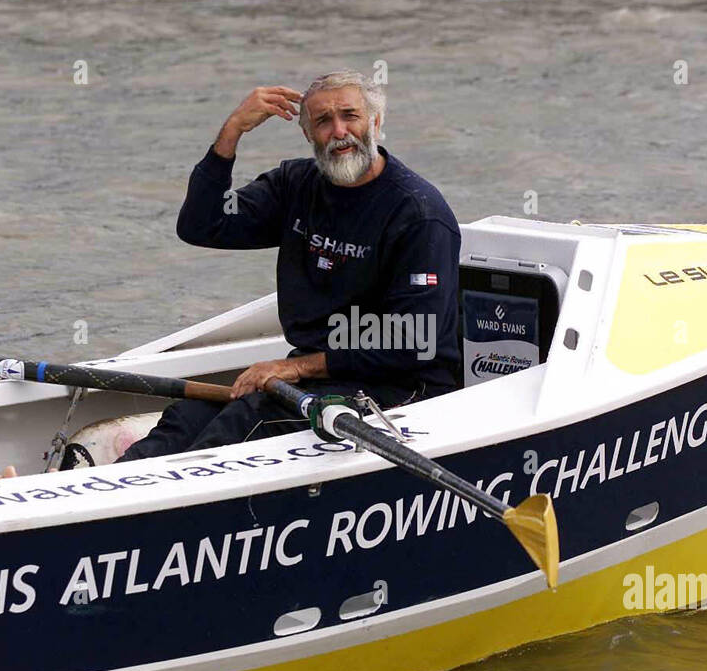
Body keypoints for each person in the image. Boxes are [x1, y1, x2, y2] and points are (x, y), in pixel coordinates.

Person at [115, 70, 461, 462]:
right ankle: (95, 501)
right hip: (318, 375)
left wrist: (296, 369)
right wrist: (232, 132)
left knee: (245, 422)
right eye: (322, 121)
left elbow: (414, 341)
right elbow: (200, 225)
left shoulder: (418, 213)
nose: (338, 131)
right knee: (187, 418)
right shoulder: (295, 185)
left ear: (376, 123)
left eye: (350, 116)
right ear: (308, 134)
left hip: (401, 386)